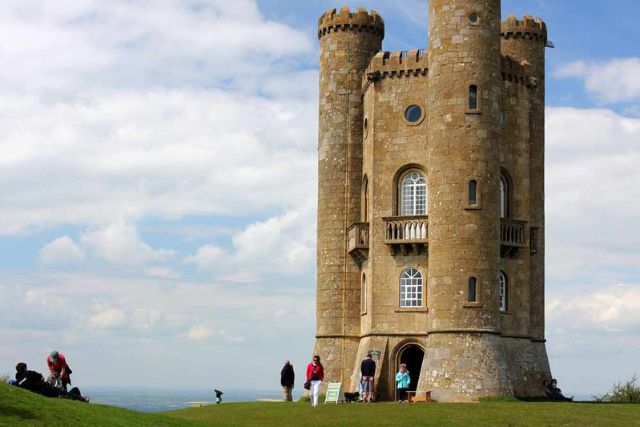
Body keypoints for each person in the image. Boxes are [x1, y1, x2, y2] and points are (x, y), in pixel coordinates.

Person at [15, 362, 88, 402]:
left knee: (64, 393)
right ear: (25, 368)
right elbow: (41, 377)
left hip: (39, 394)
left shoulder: (18, 382)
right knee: (64, 392)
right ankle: (83, 399)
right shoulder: (29, 373)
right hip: (45, 389)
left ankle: (80, 399)